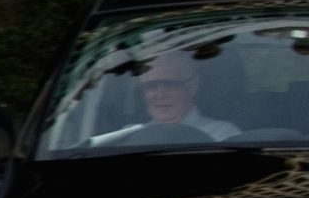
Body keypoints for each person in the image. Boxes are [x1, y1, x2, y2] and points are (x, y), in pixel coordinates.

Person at [94, 50, 239, 145]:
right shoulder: (130, 136)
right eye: (151, 86)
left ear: (192, 86)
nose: (160, 94)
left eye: (170, 84)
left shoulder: (223, 135)